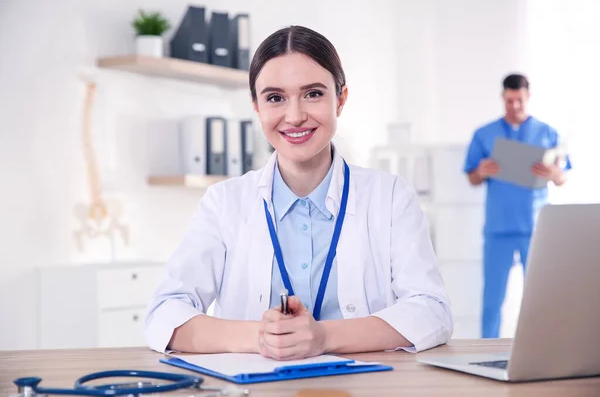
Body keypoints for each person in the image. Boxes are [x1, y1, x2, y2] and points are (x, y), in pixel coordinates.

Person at [145, 25, 453, 360]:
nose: (294, 117)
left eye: (313, 94)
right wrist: (260, 337)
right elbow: (164, 314)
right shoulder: (224, 203)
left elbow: (432, 311)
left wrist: (322, 337)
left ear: (341, 99)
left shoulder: (390, 197)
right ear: (256, 106)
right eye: (275, 98)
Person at [463, 74, 572, 339]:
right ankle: (486, 349)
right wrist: (482, 170)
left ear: (528, 98)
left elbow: (563, 177)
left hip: (535, 228)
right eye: (510, 101)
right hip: (498, 228)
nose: (514, 106)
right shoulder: (484, 134)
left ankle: (545, 346)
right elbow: (472, 178)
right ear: (503, 98)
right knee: (492, 298)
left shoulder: (548, 133)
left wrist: (553, 173)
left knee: (541, 294)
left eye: (519, 101)